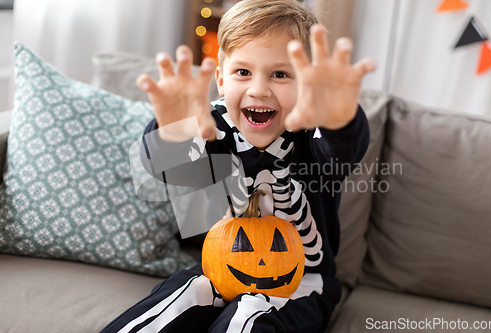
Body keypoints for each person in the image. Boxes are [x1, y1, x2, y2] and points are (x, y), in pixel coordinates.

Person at [100, 0, 375, 332]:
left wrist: (340, 120)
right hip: (218, 268)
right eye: (242, 72)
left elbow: (341, 151)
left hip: (301, 281)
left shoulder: (311, 132)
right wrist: (171, 131)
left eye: (281, 74)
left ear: (305, 85)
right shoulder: (210, 124)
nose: (258, 89)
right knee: (175, 302)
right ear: (220, 79)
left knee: (248, 317)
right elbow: (168, 172)